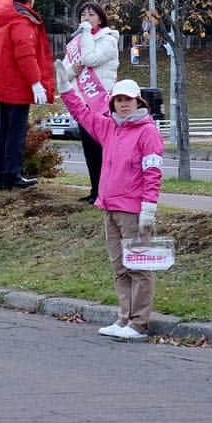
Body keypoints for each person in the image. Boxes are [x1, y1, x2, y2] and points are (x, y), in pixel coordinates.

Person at [55, 66, 164, 341]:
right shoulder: (108, 128)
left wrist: (148, 207)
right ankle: (124, 318)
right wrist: (66, 88)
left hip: (134, 211)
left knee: (138, 268)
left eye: (129, 99)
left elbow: (153, 171)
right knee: (120, 267)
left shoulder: (148, 132)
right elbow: (81, 113)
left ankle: (139, 323)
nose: (124, 104)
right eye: (119, 99)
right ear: (112, 102)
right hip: (110, 208)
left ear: (139, 102)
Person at [0, 0, 55, 190]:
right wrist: (36, 83)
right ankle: (13, 176)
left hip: (4, 84)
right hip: (18, 86)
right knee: (16, 134)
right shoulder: (21, 21)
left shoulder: (5, 13)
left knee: (4, 133)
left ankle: (3, 177)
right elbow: (26, 56)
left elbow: (4, 0)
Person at [64, 2, 120, 204]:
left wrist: (86, 35)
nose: (86, 18)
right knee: (89, 150)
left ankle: (106, 191)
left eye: (91, 14)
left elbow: (90, 58)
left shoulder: (108, 40)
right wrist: (74, 71)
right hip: (83, 104)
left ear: (100, 18)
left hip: (101, 103)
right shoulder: (76, 43)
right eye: (83, 15)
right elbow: (65, 72)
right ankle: (95, 189)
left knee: (101, 149)